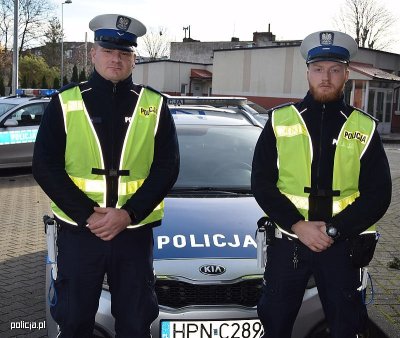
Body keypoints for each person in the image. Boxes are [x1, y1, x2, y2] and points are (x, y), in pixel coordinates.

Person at [33, 14, 179, 338]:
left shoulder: (154, 105)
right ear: (93, 53)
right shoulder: (65, 102)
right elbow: (45, 165)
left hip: (133, 234)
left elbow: (167, 167)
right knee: (73, 322)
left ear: (134, 59)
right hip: (80, 233)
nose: (116, 58)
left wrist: (127, 214)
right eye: (109, 50)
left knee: (135, 323)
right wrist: (88, 215)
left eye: (125, 52)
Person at [251, 30, 392, 338]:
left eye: (334, 69)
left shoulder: (364, 127)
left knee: (346, 326)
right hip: (288, 244)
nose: (325, 77)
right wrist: (297, 225)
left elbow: (379, 194)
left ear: (346, 74)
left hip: (340, 246)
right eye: (318, 69)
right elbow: (261, 183)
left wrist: (333, 230)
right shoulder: (279, 120)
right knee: (275, 324)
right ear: (308, 73)